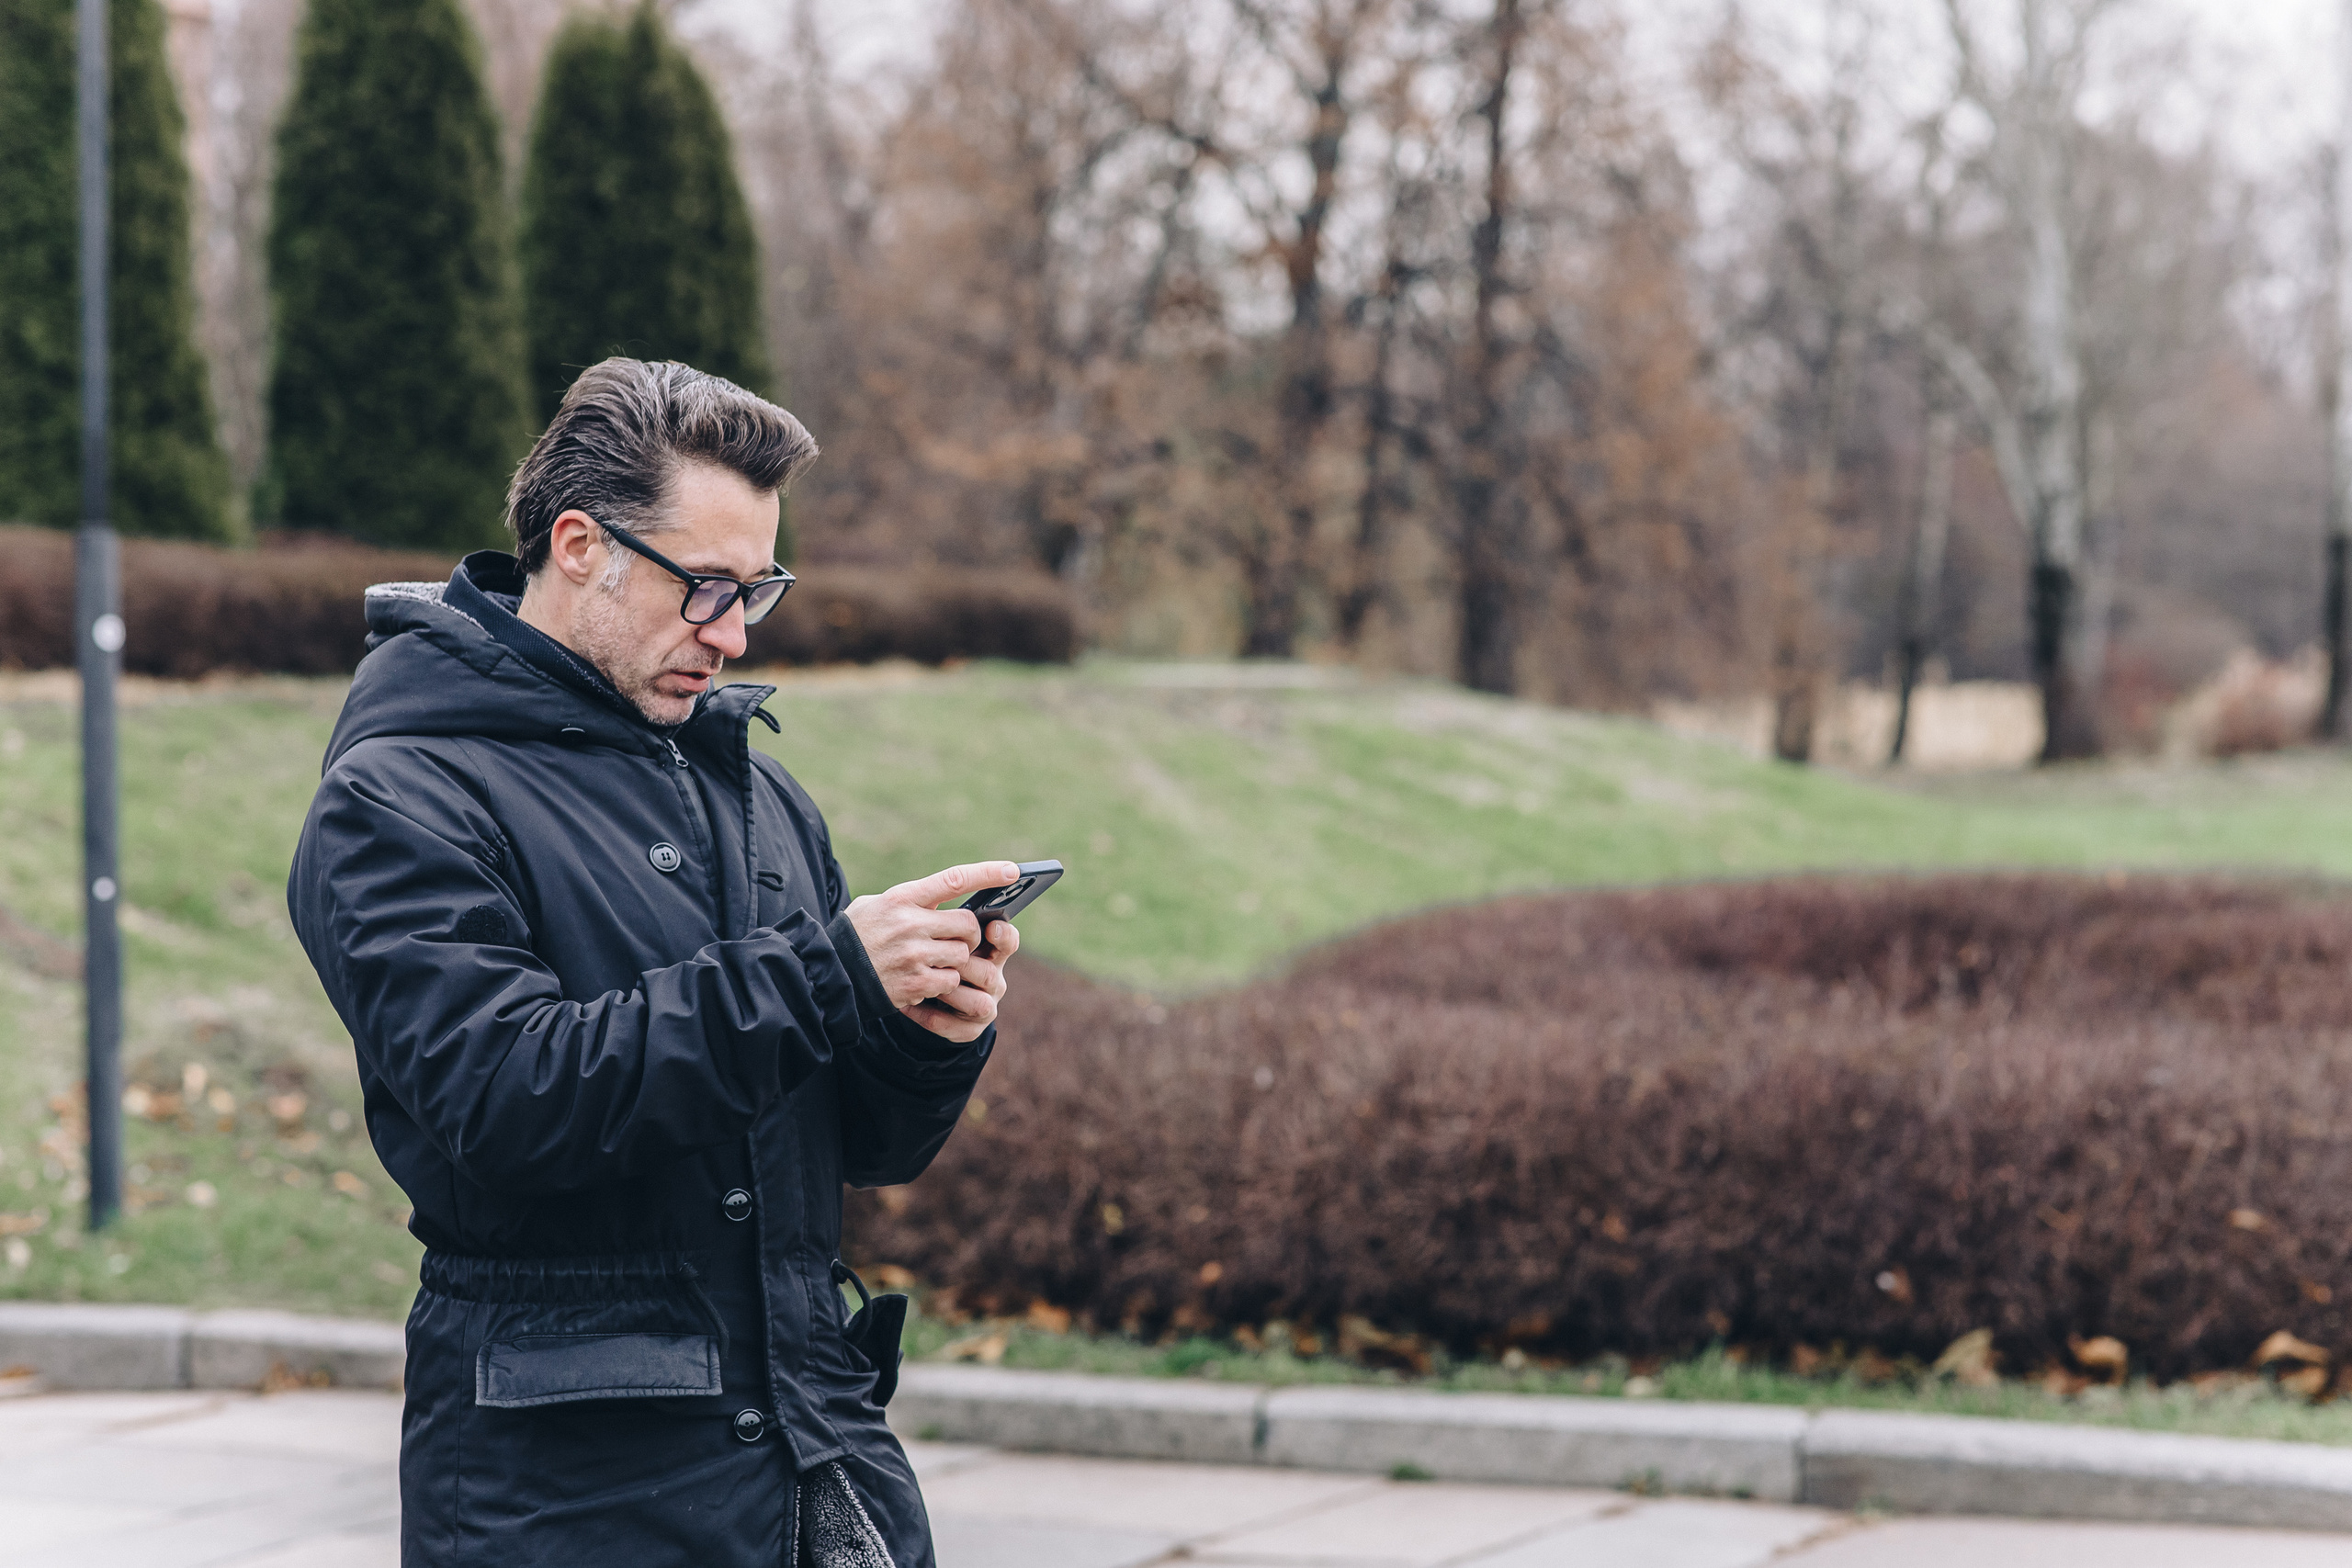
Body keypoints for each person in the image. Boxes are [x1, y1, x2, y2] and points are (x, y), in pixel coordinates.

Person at [287, 357, 1019, 1568]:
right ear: (579, 545)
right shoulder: (398, 798)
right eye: (706, 588)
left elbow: (858, 1151)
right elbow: (509, 1102)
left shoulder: (758, 791)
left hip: (815, 1455)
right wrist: (826, 978)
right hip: (565, 1499)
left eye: (758, 590)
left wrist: (922, 1035)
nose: (732, 634)